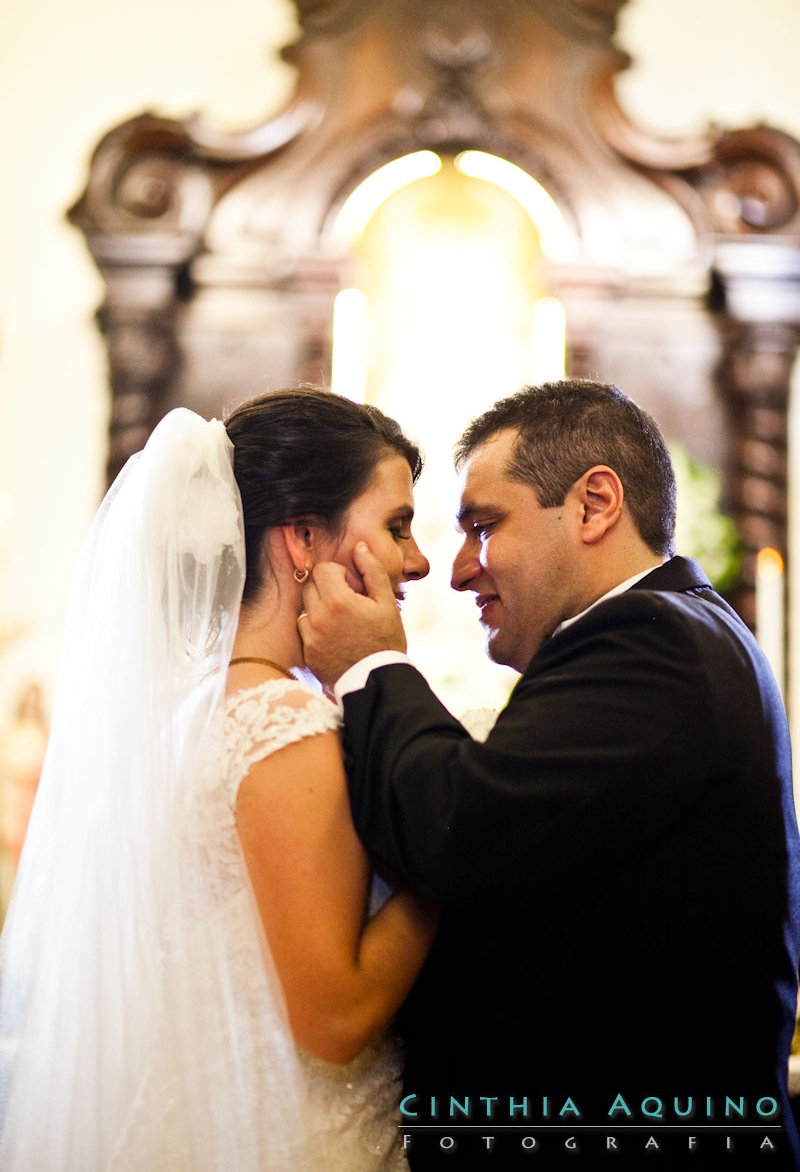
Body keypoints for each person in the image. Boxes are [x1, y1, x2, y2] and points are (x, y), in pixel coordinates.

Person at [299, 379, 800, 1170]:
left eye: (483, 527)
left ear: (595, 504)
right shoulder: (665, 634)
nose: (459, 571)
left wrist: (372, 666)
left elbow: (459, 830)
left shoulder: (653, 643)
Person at [0, 387, 437, 1171]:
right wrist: (453, 851)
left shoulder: (193, 714)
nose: (419, 560)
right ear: (303, 536)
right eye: (397, 526)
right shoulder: (280, 726)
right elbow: (335, 1020)